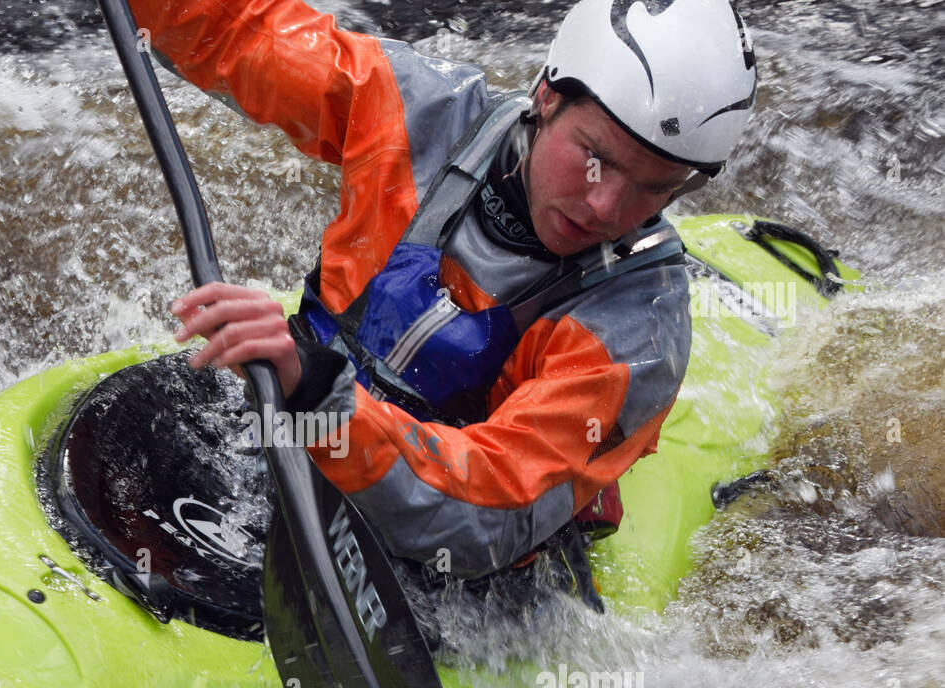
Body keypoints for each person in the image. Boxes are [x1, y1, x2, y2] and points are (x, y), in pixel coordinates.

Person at [131, 0, 758, 609]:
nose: (606, 208)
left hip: (463, 586)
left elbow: (487, 511)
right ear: (547, 96)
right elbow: (238, 34)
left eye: (654, 188)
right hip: (295, 417)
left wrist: (316, 396)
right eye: (596, 159)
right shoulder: (416, 110)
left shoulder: (637, 332)